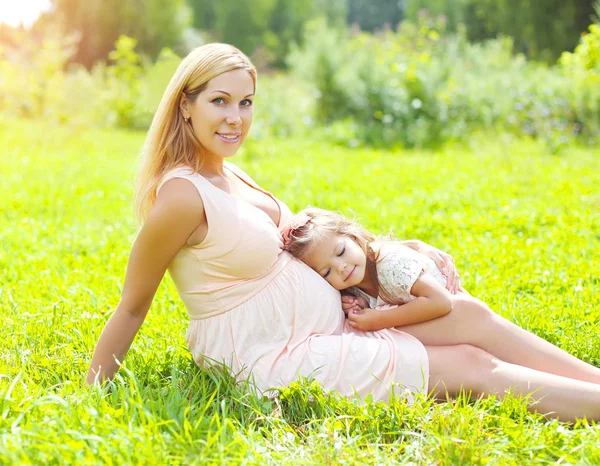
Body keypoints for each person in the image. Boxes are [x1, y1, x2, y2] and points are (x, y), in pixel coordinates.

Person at [87, 43, 600, 422]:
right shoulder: (181, 196)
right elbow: (134, 304)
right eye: (219, 101)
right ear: (185, 105)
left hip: (334, 321)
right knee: (470, 364)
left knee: (469, 315)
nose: (235, 118)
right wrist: (92, 396)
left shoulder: (229, 171)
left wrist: (382, 251)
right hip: (272, 355)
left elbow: (303, 240)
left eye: (246, 103)